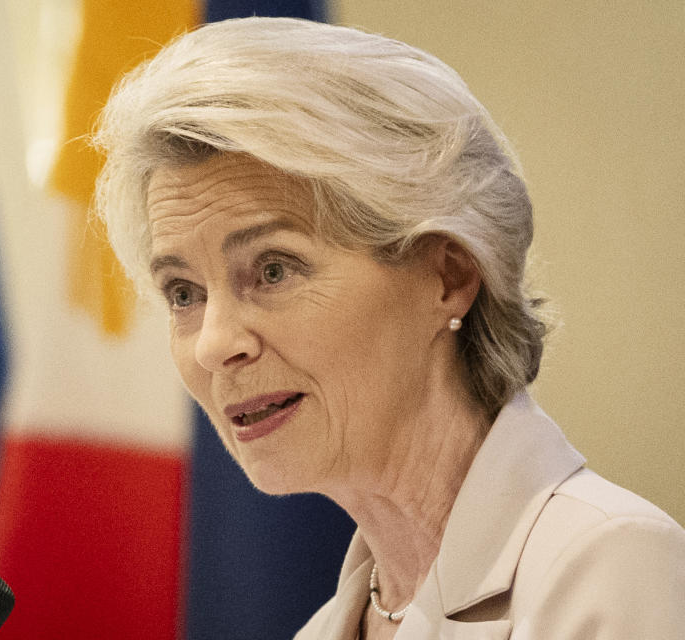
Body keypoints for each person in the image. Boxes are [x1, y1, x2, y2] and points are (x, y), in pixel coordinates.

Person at [92, 16, 685, 639]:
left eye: (273, 270)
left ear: (446, 276)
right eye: (183, 293)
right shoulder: (326, 629)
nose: (214, 345)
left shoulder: (609, 569)